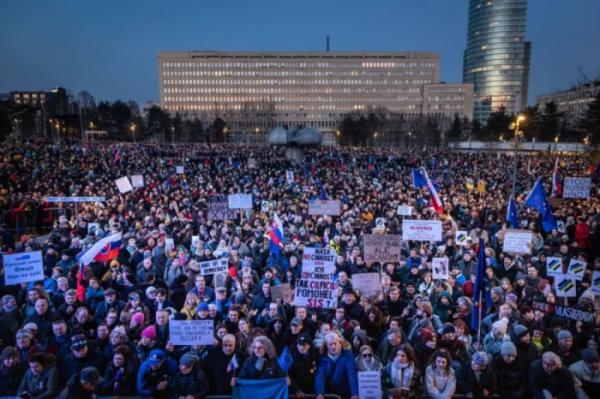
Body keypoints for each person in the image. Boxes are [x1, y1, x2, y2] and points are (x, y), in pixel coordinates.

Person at [315, 332, 359, 399]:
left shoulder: (348, 355)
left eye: (335, 343)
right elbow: (320, 375)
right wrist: (320, 392)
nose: (333, 346)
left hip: (345, 393)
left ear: (340, 343)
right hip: (330, 393)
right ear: (326, 345)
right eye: (330, 344)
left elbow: (352, 373)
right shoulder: (323, 358)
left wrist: (355, 393)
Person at [288, 332, 318, 398]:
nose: (301, 347)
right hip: (296, 391)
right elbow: (289, 375)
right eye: (299, 344)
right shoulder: (291, 356)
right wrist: (296, 389)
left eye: (305, 345)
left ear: (309, 345)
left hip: (312, 391)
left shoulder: (315, 355)